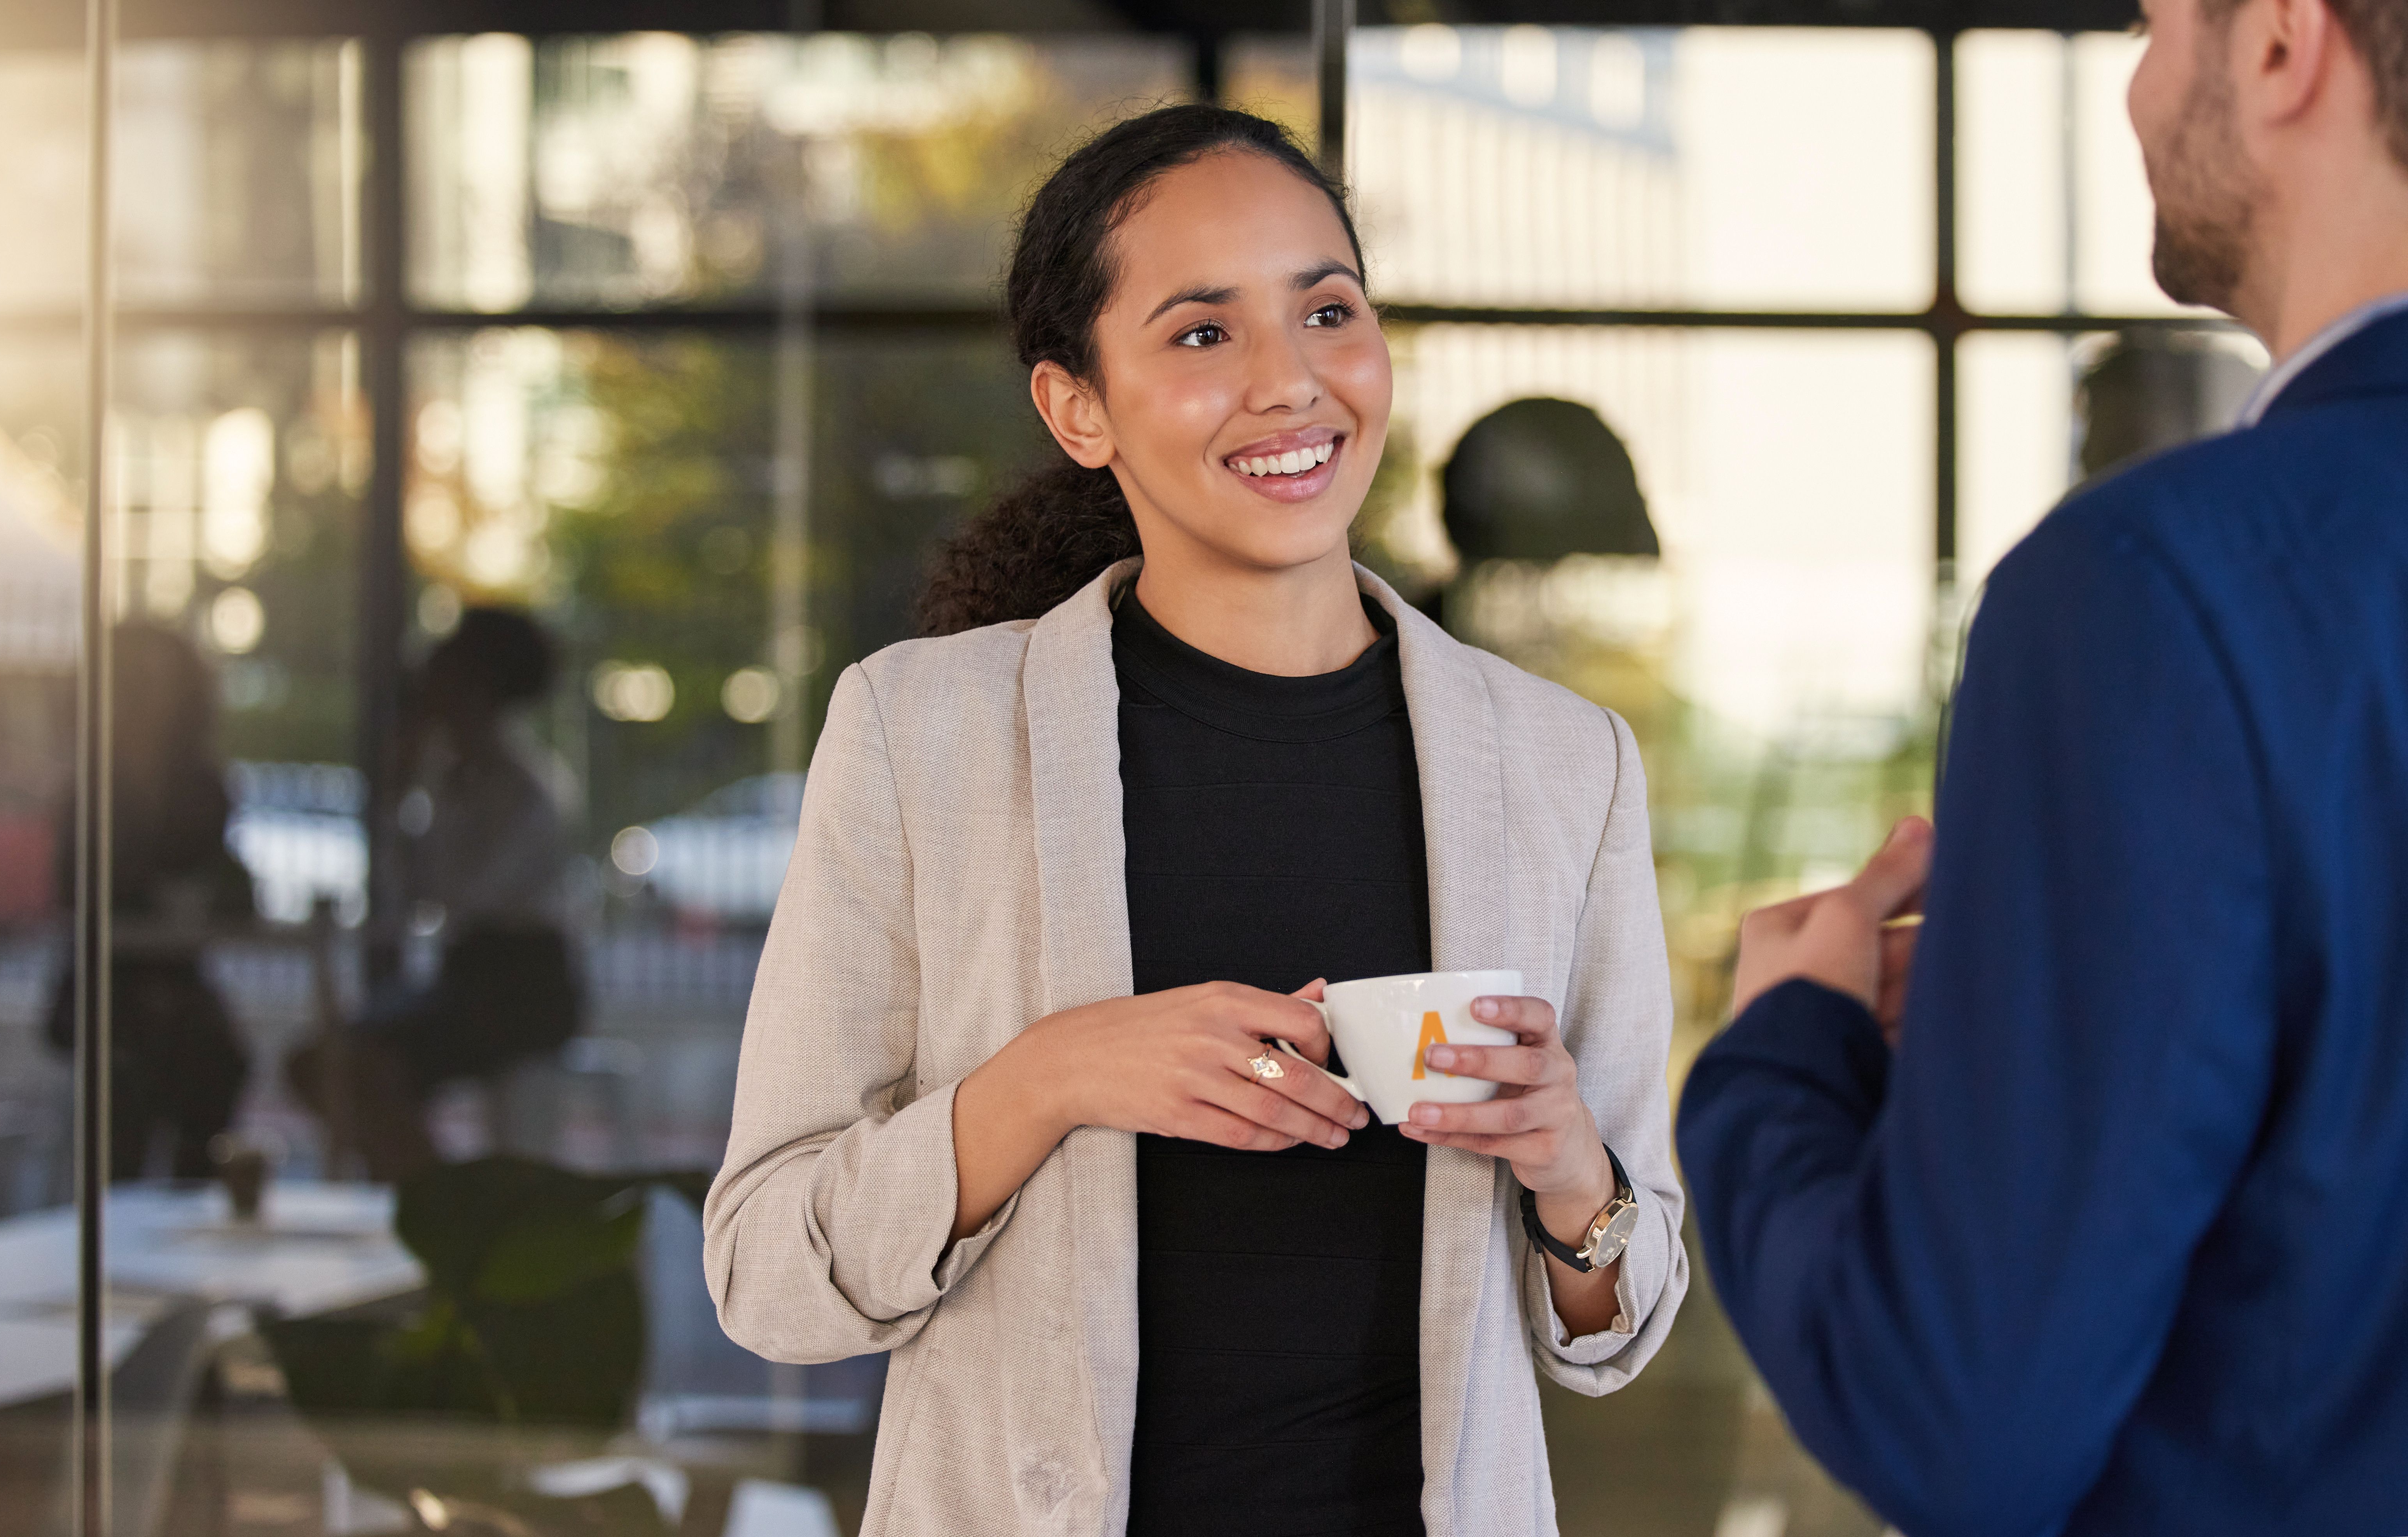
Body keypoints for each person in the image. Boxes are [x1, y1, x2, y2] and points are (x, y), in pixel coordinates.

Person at [703, 105, 1685, 1537]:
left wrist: (1564, 1166)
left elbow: (1615, 1322)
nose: (1291, 384)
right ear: (1075, 406)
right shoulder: (921, 736)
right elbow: (768, 1275)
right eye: (1202, 334)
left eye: (1326, 310)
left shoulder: (1560, 763)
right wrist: (1046, 1076)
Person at [1677, 0, 2408, 1532]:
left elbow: (1954, 1419)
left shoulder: (2152, 587)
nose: (2136, 91)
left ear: (2281, 44)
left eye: (2150, 26)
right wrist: (2061, 1007)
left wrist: (1780, 1058)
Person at [291, 606, 580, 1180]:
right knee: (325, 1065)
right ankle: (433, 1198)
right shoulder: (456, 782)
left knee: (354, 1065)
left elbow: (461, 897)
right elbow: (420, 893)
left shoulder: (523, 789)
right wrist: (404, 793)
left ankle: (439, 1204)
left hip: (523, 987)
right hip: (470, 976)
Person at [45, 622, 255, 1180]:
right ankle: (119, 1208)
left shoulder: (201, 786)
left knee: (216, 1066)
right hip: (106, 985)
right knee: (131, 1070)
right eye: (132, 684)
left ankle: (189, 1205)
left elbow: (234, 886)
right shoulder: (91, 784)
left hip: (179, 983)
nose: (145, 700)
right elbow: (71, 888)